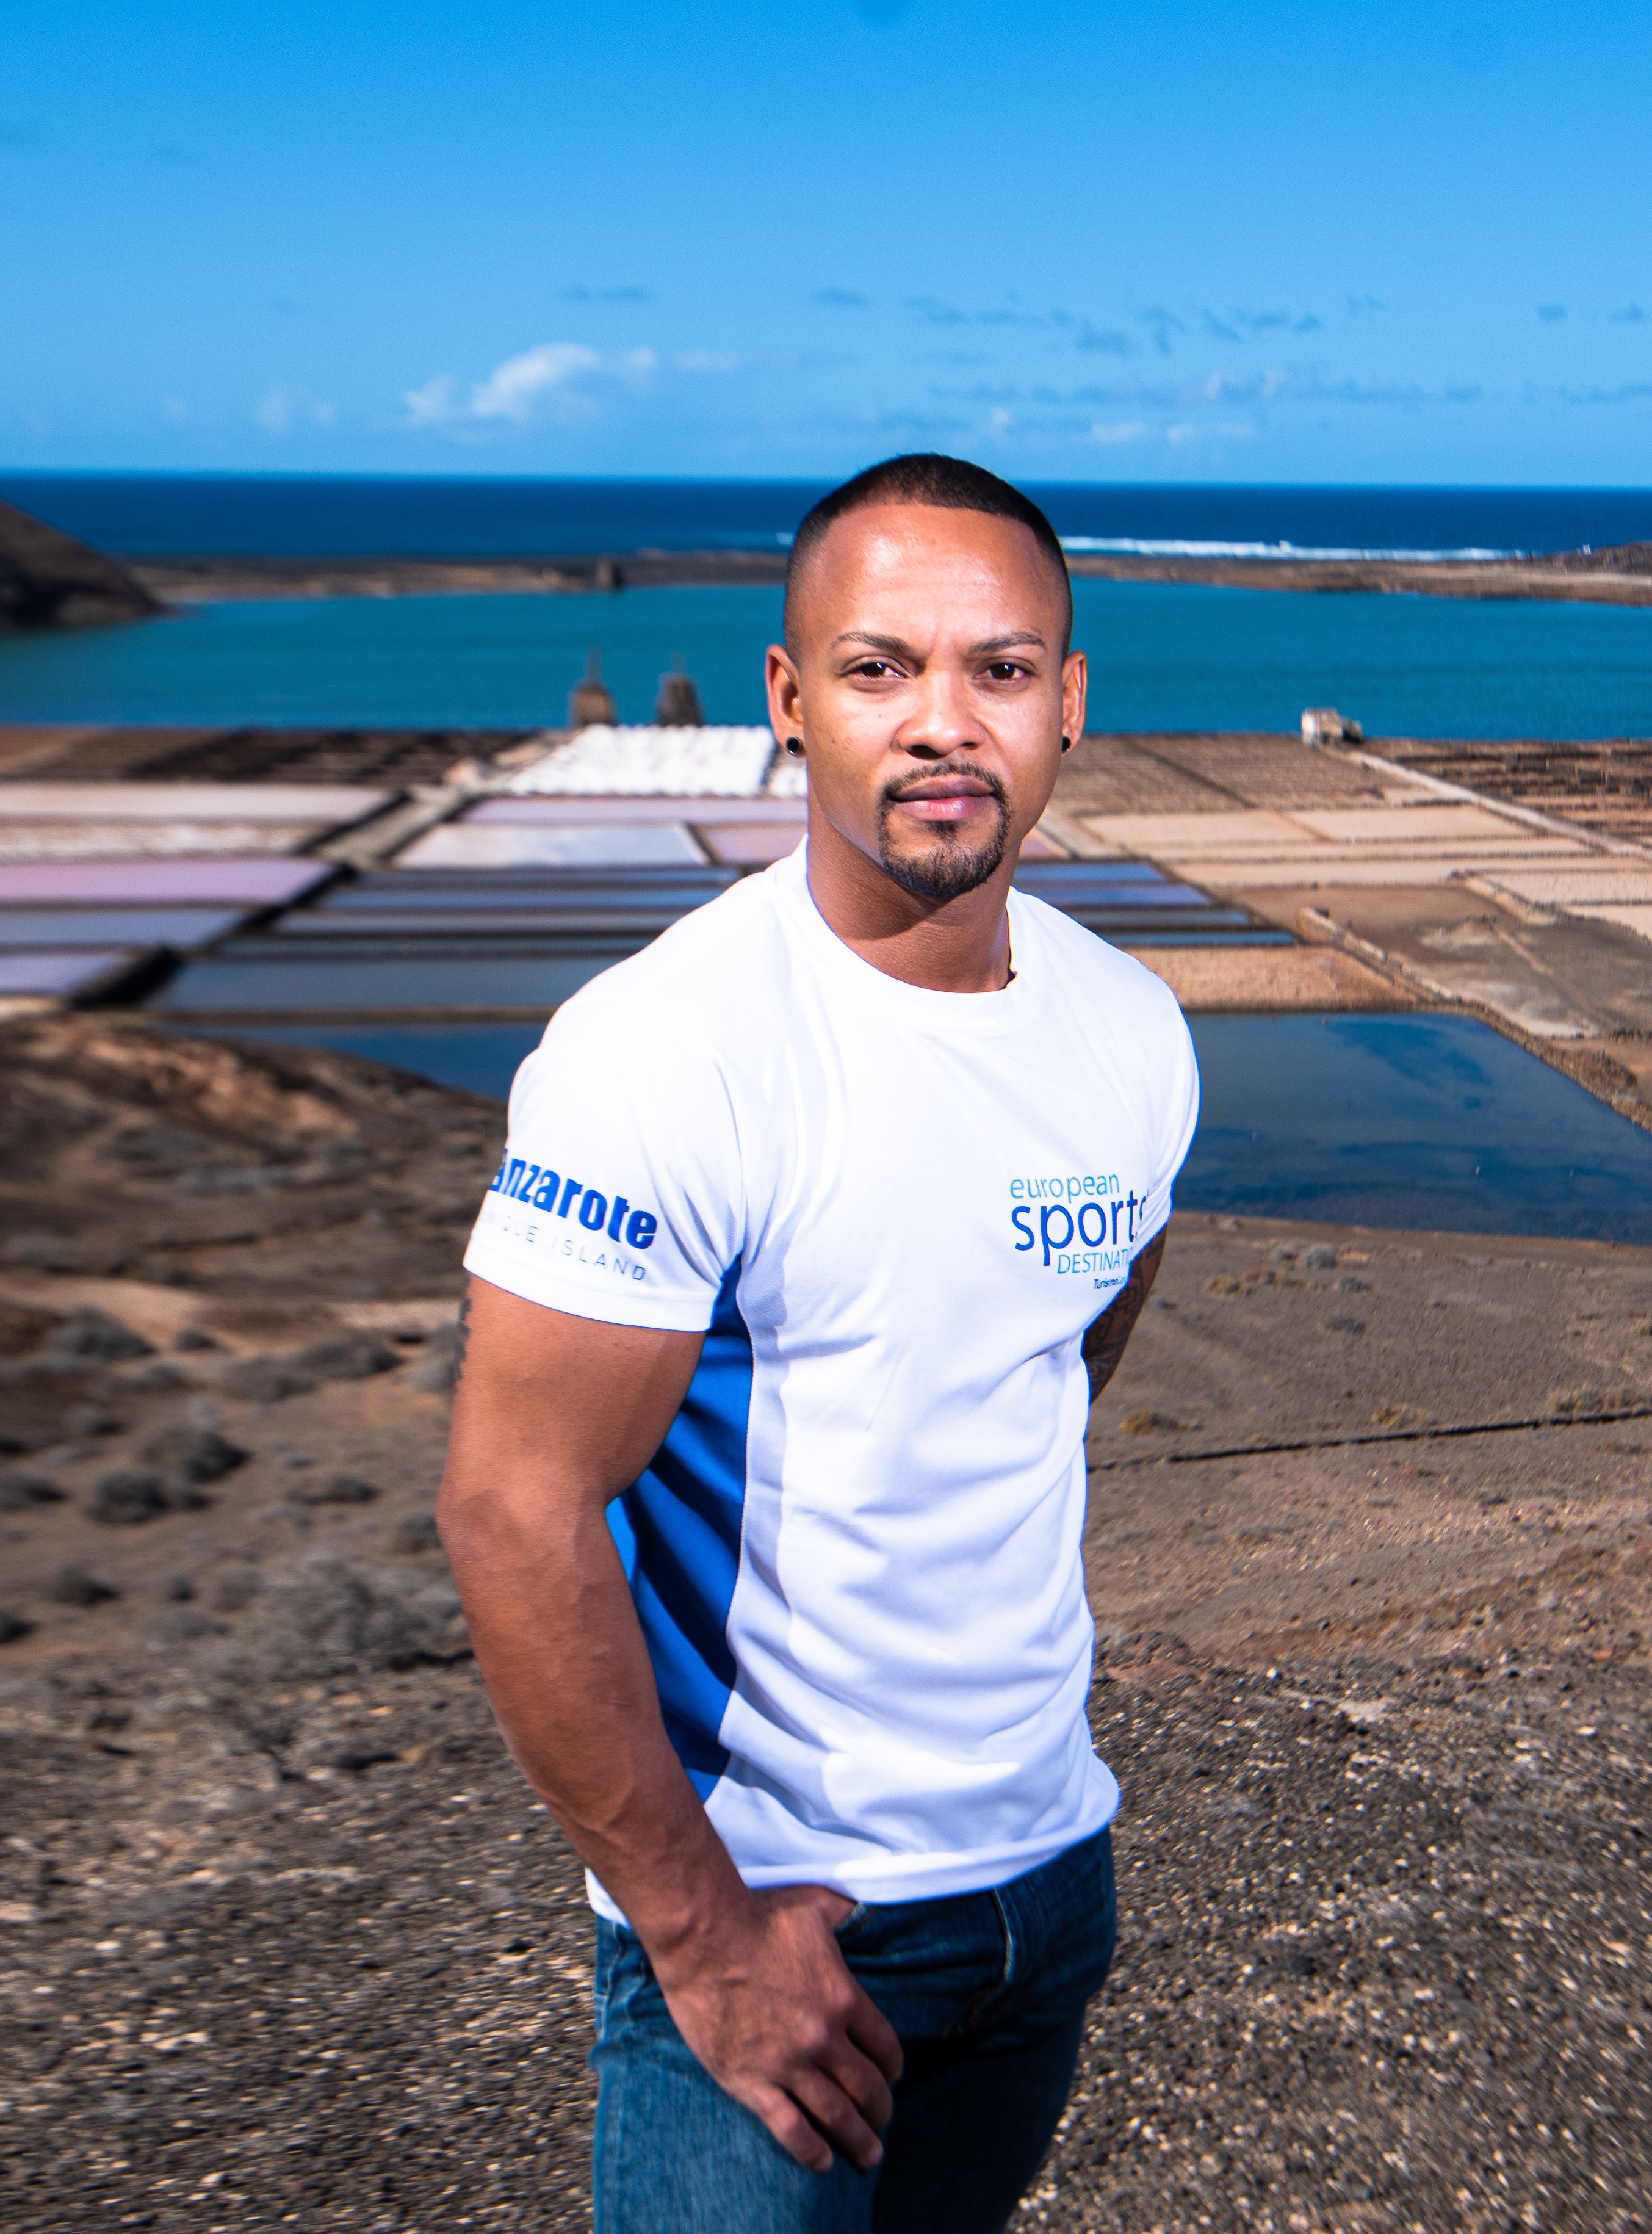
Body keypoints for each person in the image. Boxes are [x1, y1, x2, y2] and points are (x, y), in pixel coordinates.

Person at [440, 452, 1197, 2232]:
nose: (945, 724)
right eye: (880, 670)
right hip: (781, 1914)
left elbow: (1071, 1341)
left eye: (999, 670)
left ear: (1069, 703)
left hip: (1046, 1882)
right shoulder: (663, 1054)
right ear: (791, 702)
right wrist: (702, 1940)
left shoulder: (1133, 1029)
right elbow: (510, 1509)